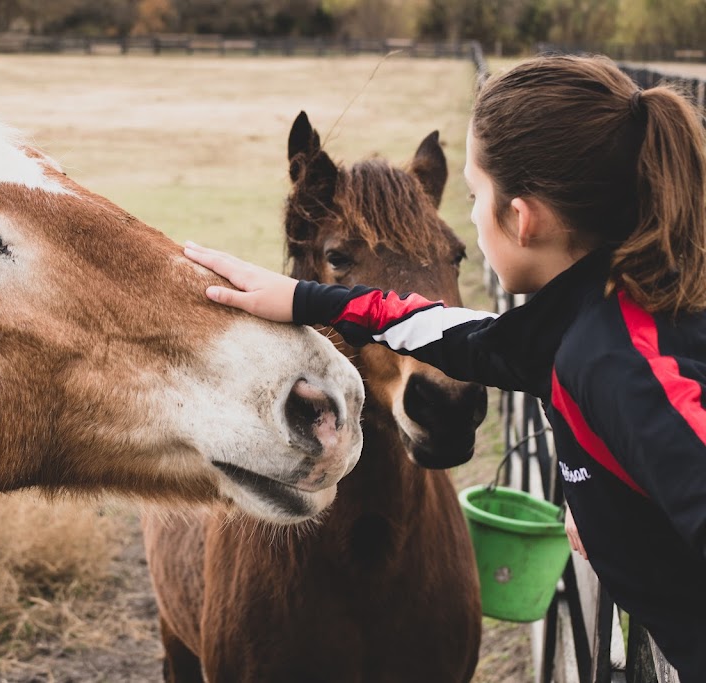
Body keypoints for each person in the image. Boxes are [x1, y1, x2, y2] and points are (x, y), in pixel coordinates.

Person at [184, 54, 706, 679]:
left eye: (471, 196)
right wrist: (300, 296)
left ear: (521, 219)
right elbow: (454, 334)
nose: (469, 211)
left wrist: (629, 519)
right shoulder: (576, 321)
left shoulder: (618, 360)